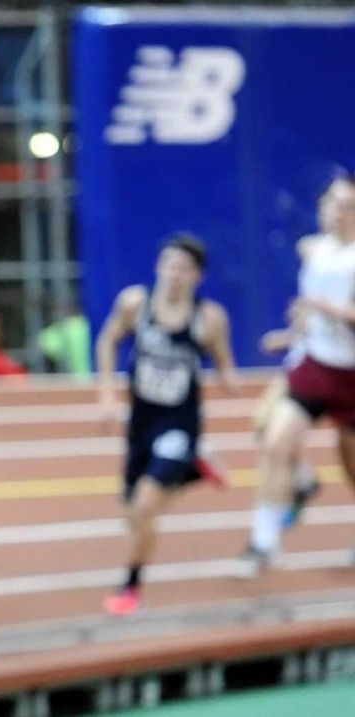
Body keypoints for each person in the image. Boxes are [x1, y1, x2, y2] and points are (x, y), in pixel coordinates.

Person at [96, 234, 239, 615]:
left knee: (144, 509)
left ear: (198, 277)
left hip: (179, 424)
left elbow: (223, 359)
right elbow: (108, 340)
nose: (175, 275)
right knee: (131, 514)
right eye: (169, 265)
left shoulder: (207, 318)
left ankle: (130, 587)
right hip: (141, 422)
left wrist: (229, 379)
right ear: (159, 267)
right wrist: (107, 394)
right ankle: (194, 469)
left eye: (184, 269)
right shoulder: (135, 304)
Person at [243, 176, 355, 576]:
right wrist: (291, 334)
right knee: (274, 441)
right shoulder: (314, 251)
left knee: (351, 464)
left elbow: (333, 310)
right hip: (315, 364)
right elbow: (309, 311)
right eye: (332, 203)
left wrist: (327, 308)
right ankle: (263, 541)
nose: (338, 212)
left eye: (347, 205)